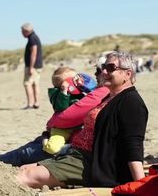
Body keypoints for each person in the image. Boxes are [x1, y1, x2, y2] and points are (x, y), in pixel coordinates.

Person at [17, 51, 148, 189]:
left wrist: (142, 186)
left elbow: (133, 145)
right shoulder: (110, 97)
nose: (103, 71)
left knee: (26, 176)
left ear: (127, 74)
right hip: (75, 154)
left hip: (92, 163)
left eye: (110, 68)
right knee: (24, 168)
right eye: (102, 68)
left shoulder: (131, 102)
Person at [0, 61, 109, 167]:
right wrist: (64, 92)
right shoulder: (62, 93)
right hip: (66, 132)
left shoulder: (101, 92)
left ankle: (1, 160)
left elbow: (65, 118)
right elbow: (63, 111)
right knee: (42, 149)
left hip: (75, 138)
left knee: (27, 153)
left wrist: (52, 123)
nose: (95, 75)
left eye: (98, 71)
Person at [21, 22, 43, 109]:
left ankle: (30, 103)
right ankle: (36, 103)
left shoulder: (32, 38)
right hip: (37, 66)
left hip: (33, 66)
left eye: (23, 31)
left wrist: (30, 67)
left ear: (27, 31)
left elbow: (34, 53)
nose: (22, 33)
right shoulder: (34, 37)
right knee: (35, 84)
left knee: (27, 84)